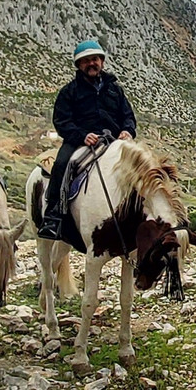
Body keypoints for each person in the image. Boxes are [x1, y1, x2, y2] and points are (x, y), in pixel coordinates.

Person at [38, 39, 137, 240]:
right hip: (80, 141)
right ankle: (53, 216)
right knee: (62, 163)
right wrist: (82, 135)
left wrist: (127, 131)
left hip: (114, 141)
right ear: (79, 65)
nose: (91, 64)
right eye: (86, 61)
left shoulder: (115, 89)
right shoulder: (69, 92)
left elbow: (128, 116)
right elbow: (61, 121)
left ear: (102, 61)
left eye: (95, 59)